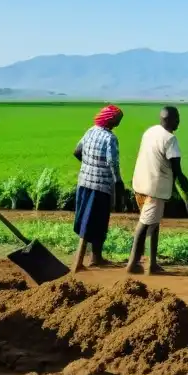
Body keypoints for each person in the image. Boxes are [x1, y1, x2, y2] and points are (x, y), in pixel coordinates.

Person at [127, 106, 188, 274]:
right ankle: (133, 263)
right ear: (167, 120)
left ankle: (152, 263)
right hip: (154, 188)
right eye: (176, 119)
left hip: (140, 183)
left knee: (153, 222)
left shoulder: (150, 131)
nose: (178, 122)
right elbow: (177, 169)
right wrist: (184, 184)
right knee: (146, 223)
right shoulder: (170, 139)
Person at [71, 104, 125, 272]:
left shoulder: (90, 131)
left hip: (84, 182)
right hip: (100, 185)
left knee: (87, 218)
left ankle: (96, 258)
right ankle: (81, 261)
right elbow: (113, 163)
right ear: (111, 121)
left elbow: (76, 151)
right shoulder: (110, 138)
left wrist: (90, 164)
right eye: (117, 120)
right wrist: (118, 183)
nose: (118, 124)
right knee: (96, 221)